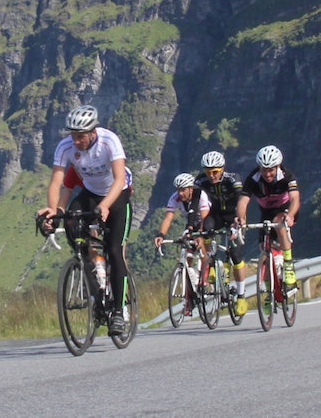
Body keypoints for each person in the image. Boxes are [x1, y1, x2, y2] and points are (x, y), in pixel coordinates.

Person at [38, 105, 133, 336]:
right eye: (73, 136)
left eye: (80, 136)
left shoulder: (109, 141)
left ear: (93, 132)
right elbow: (56, 182)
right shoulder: (65, 147)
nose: (76, 141)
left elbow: (120, 179)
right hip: (90, 194)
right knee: (72, 223)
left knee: (114, 250)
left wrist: (105, 205)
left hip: (117, 193)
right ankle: (90, 270)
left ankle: (119, 313)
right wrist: (53, 211)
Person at [235, 144, 300, 289]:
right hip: (266, 213)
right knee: (264, 253)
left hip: (285, 210)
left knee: (279, 222)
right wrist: (241, 218)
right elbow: (243, 201)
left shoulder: (287, 175)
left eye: (271, 170)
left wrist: (290, 215)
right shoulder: (253, 178)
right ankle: (269, 295)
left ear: (277, 166)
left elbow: (295, 199)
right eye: (264, 170)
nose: (268, 174)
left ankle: (288, 264)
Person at [194, 150, 248, 316]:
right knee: (206, 229)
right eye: (208, 172)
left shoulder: (233, 179)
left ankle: (241, 296)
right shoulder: (200, 180)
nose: (212, 175)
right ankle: (210, 263)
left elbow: (241, 200)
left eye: (215, 171)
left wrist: (238, 221)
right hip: (215, 215)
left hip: (234, 215)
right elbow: (195, 204)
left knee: (236, 255)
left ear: (222, 168)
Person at [153, 172, 211, 316]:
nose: (180, 193)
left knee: (203, 249)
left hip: (206, 222)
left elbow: (204, 217)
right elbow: (168, 218)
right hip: (190, 226)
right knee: (186, 257)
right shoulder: (175, 198)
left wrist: (201, 236)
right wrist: (161, 235)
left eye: (183, 189)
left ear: (191, 188)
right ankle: (188, 298)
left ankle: (205, 278)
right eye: (178, 189)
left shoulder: (201, 196)